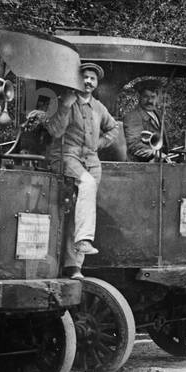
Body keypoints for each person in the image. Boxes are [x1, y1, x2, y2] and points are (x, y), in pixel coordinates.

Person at [45, 62, 118, 279]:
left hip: (92, 162)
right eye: (85, 77)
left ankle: (74, 266)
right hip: (67, 157)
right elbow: (55, 132)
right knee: (86, 185)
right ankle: (84, 240)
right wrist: (65, 106)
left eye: (92, 79)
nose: (88, 81)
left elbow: (113, 128)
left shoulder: (98, 108)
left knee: (82, 213)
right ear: (78, 79)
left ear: (96, 84)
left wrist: (100, 143)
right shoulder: (64, 101)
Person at [123, 79, 169, 161]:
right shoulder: (132, 116)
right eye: (145, 97)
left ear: (157, 97)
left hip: (157, 165)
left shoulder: (157, 114)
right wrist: (155, 153)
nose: (150, 101)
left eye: (153, 97)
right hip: (140, 167)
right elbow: (134, 145)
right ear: (139, 97)